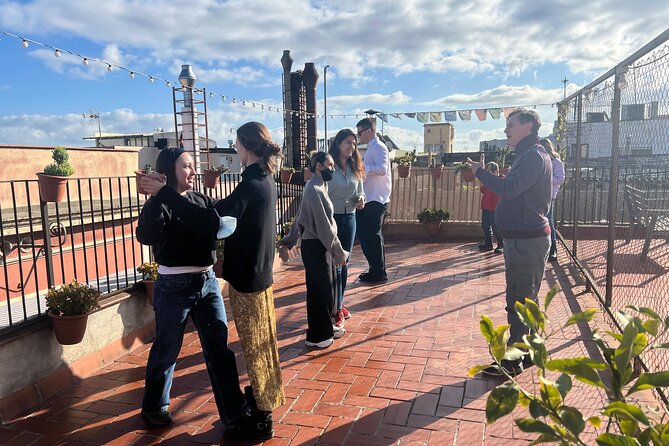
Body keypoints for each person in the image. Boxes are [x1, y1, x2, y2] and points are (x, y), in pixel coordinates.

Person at [139, 122, 285, 441]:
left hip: (205, 283)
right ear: (169, 170)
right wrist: (156, 200)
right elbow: (146, 235)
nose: (193, 170)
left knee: (219, 349)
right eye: (186, 165)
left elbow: (212, 225)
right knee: (167, 348)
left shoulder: (201, 199)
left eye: (193, 165)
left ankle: (234, 413)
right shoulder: (160, 202)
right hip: (174, 285)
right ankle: (154, 405)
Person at [466, 108, 552, 376]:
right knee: (527, 301)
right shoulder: (529, 154)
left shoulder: (533, 156)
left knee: (519, 301)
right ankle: (528, 352)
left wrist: (481, 173)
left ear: (528, 126)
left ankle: (513, 360)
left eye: (510, 125)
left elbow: (510, 188)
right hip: (523, 241)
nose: (506, 130)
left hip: (526, 243)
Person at [278, 151, 348, 349]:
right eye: (330, 165)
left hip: (319, 246)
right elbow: (325, 227)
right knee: (319, 291)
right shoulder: (314, 190)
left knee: (326, 290)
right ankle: (317, 335)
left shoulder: (318, 186)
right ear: (318, 165)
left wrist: (290, 239)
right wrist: (339, 252)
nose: (332, 169)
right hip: (316, 246)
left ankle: (326, 326)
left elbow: (300, 216)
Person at [327, 129, 365, 327]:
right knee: (333, 264)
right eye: (348, 142)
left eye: (354, 143)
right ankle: (334, 307)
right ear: (338, 144)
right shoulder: (328, 166)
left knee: (344, 263)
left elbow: (361, 191)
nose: (351, 147)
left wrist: (361, 200)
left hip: (350, 218)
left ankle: (340, 305)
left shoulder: (354, 166)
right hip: (331, 220)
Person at [355, 117, 391, 283]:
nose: (358, 136)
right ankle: (374, 269)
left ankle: (378, 272)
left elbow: (383, 169)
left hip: (376, 198)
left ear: (370, 131)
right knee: (366, 236)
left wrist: (362, 168)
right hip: (370, 198)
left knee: (373, 237)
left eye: (360, 132)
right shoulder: (371, 148)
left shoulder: (378, 147)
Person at [540, 138, 565, 262]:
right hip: (538, 194)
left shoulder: (556, 162)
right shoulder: (541, 161)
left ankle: (553, 249)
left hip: (549, 195)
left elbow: (560, 179)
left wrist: (545, 179)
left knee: (549, 220)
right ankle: (543, 248)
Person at [478, 161, 503, 254]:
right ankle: (488, 244)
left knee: (496, 228)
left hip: (495, 209)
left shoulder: (501, 180)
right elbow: (482, 189)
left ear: (496, 171)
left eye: (490, 171)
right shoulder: (488, 182)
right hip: (486, 207)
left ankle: (501, 245)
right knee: (485, 227)